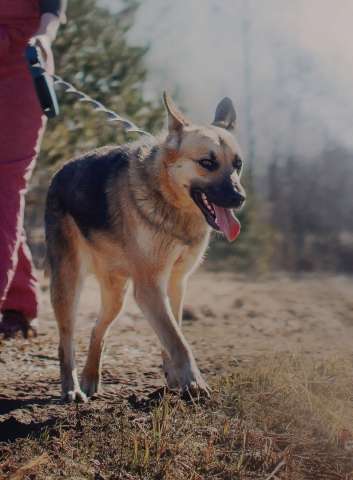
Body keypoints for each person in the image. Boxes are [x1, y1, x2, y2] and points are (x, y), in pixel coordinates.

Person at [0, 0, 67, 339]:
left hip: (22, 64)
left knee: (5, 187)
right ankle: (19, 303)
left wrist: (44, 35)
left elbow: (53, 5)